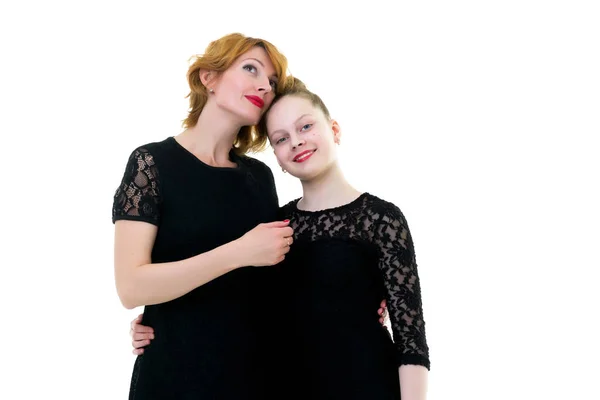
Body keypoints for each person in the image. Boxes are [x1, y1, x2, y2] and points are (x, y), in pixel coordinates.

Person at [131, 78, 430, 399]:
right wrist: (160, 320)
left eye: (306, 127)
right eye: (282, 138)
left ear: (335, 130)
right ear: (277, 156)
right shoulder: (273, 225)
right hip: (284, 387)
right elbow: (236, 302)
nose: (297, 142)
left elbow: (410, 338)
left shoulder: (382, 218)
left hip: (367, 385)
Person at [112, 33, 293, 399]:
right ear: (208, 78)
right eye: (251, 69)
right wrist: (238, 252)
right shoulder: (151, 164)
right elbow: (131, 287)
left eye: (272, 83)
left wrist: (357, 294)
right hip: (173, 376)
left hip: (252, 376)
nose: (264, 86)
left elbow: (270, 286)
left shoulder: (259, 178)